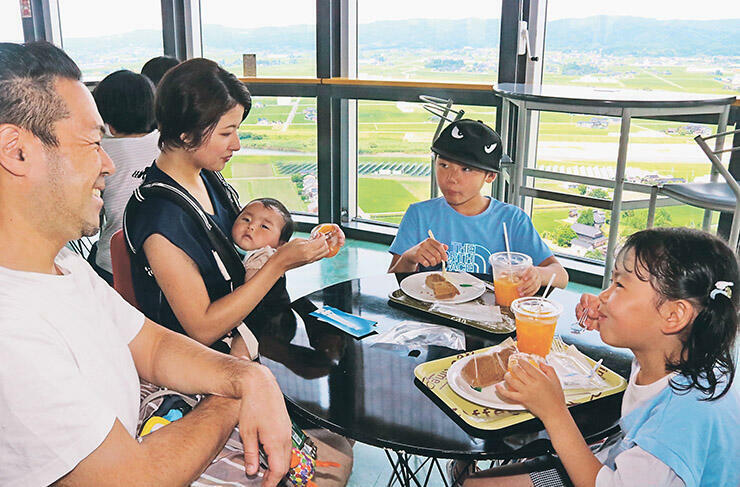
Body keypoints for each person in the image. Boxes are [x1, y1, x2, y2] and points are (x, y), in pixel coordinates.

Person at [0, 41, 293, 486]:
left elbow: (151, 345)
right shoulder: (12, 328)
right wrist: (235, 393)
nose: (109, 165)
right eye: (94, 144)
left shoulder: (63, 264)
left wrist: (247, 377)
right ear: (16, 151)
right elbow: (132, 480)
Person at [464, 227, 740, 487]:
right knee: (474, 483)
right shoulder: (683, 357)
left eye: (620, 285)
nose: (603, 296)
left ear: (673, 315)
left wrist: (554, 412)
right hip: (616, 462)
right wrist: (610, 319)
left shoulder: (682, 420)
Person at [125, 58, 341, 352]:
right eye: (226, 133)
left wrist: (301, 247)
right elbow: (202, 328)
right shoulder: (160, 217)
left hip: (245, 328)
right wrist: (278, 264)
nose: (236, 144)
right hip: (201, 359)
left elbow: (242, 248)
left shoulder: (208, 178)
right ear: (186, 133)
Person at [387, 118, 568, 297]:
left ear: (490, 176)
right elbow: (391, 281)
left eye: (466, 169)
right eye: (444, 165)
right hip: (430, 317)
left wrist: (538, 275)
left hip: (491, 319)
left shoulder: (512, 219)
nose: (451, 178)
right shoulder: (419, 214)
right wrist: (409, 257)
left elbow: (561, 275)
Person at [90, 69, 160, 284]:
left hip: (114, 268)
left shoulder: (99, 152)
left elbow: (90, 223)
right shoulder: (169, 144)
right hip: (165, 265)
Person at [232, 197, 294, 281]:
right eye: (246, 219)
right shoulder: (223, 243)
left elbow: (251, 290)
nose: (251, 226)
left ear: (280, 244)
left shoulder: (264, 258)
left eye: (264, 226)